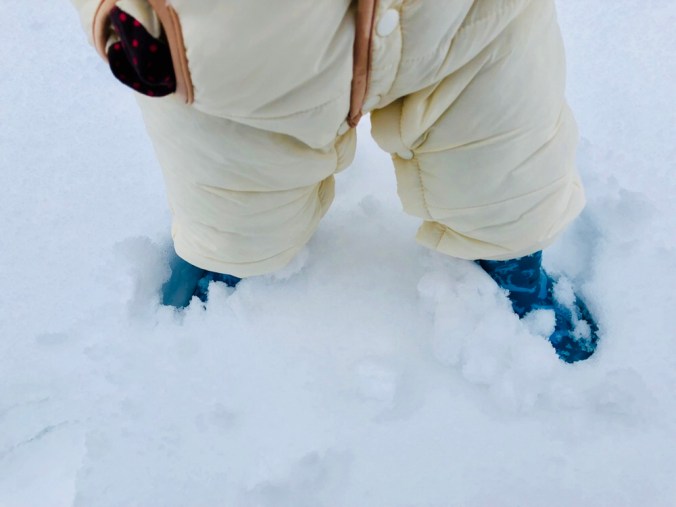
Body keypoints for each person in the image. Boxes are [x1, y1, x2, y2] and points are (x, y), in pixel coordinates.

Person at [69, 0, 599, 362]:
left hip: (462, 19)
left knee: (502, 147)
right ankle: (228, 253)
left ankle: (509, 252)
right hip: (228, 50)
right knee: (231, 189)